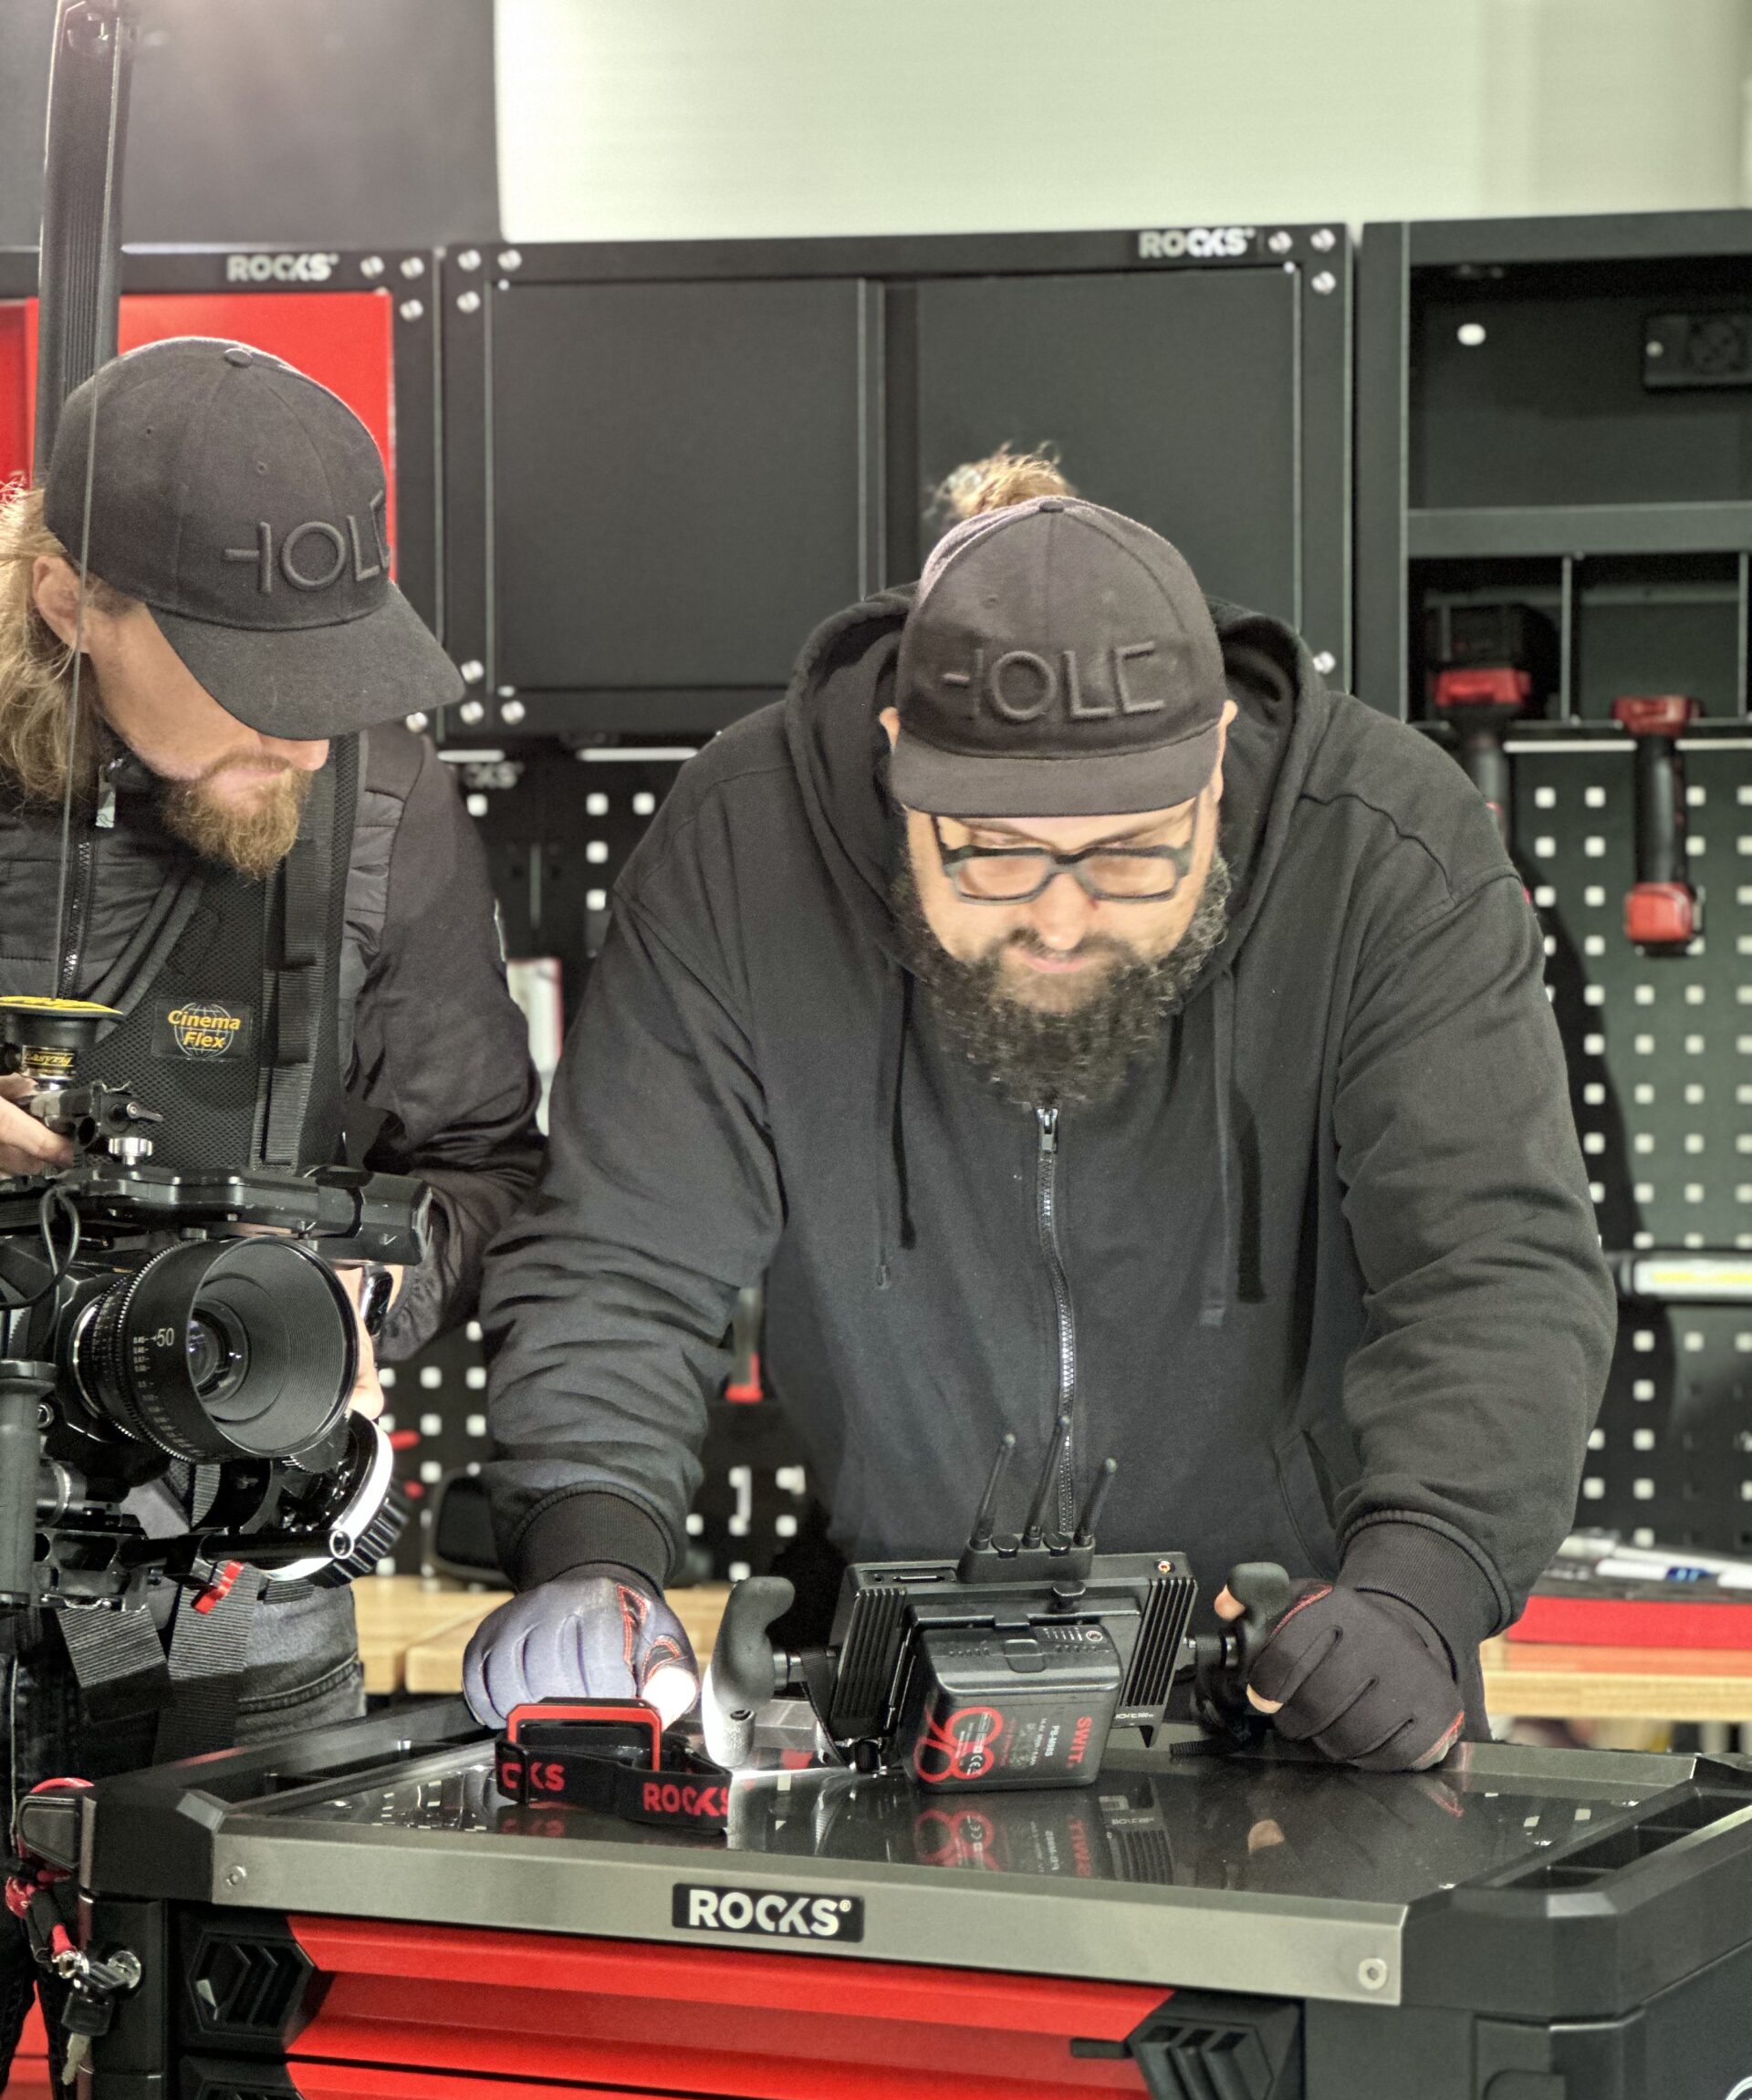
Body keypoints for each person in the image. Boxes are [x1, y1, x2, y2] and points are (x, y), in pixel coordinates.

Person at [467, 448, 1615, 1775]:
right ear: (900, 767)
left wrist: (1422, 1584)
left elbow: (1491, 1264)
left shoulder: (1383, 845)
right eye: (996, 857)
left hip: (1307, 1667)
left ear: (1214, 765)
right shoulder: (742, 844)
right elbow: (621, 1255)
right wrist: (592, 1549)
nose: (1062, 920)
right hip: (897, 1682)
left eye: (1130, 857)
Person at [1, 339, 541, 2100]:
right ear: (72, 601)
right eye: (250, 679)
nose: (305, 732)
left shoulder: (382, 798)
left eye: (336, 674)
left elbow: (480, 1157)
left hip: (240, 1616)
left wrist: (353, 1303)